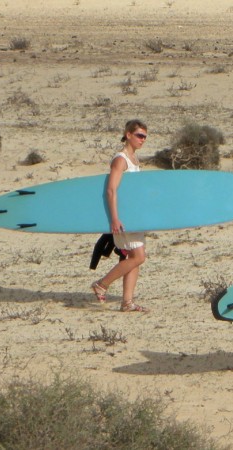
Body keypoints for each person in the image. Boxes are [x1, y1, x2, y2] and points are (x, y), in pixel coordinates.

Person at [90, 120, 150, 313]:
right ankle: (102, 284)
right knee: (138, 257)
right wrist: (115, 218)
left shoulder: (134, 159)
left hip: (133, 217)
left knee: (134, 256)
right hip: (123, 218)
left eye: (145, 136)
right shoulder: (121, 160)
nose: (143, 139)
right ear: (128, 134)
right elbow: (111, 190)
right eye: (140, 135)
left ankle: (127, 303)